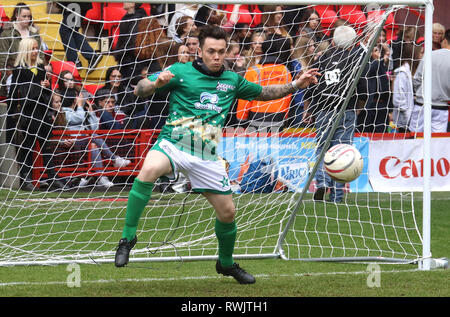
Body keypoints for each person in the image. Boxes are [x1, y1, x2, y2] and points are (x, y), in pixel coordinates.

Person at [114, 25, 320, 284]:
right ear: (199, 51)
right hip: (174, 145)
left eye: (221, 52)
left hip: (206, 155)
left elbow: (264, 93)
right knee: (149, 170)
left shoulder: (232, 80)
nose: (217, 57)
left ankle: (225, 263)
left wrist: (294, 84)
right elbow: (139, 89)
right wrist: (155, 83)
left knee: (228, 213)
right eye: (211, 51)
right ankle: (128, 237)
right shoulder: (179, 72)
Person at [302, 25, 367, 203]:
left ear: (332, 40)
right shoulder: (356, 59)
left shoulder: (321, 59)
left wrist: (308, 109)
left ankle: (322, 182)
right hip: (346, 110)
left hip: (323, 109)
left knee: (323, 148)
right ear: (353, 42)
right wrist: (359, 107)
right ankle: (337, 195)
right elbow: (363, 88)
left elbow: (311, 85)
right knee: (343, 152)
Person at [7, 38, 64, 190]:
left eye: (37, 48)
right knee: (28, 147)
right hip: (28, 113)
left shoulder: (40, 67)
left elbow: (46, 92)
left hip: (42, 111)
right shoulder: (19, 69)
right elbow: (15, 91)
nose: (36, 51)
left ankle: (52, 178)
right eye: (32, 48)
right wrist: (11, 113)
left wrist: (46, 86)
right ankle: (26, 179)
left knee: (46, 146)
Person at [61, 88, 131, 188]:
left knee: (94, 145)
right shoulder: (64, 111)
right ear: (73, 99)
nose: (81, 98)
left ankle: (101, 177)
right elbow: (78, 118)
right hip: (71, 141)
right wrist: (80, 106)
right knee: (92, 136)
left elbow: (94, 128)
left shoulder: (81, 111)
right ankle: (114, 159)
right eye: (78, 96)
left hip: (84, 141)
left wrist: (91, 113)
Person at [236, 33, 293, 131]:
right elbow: (288, 97)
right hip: (279, 117)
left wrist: (241, 119)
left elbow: (245, 97)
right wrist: (285, 117)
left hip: (256, 117)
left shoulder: (253, 70)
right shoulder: (286, 71)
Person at [0, 2, 44, 100]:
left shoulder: (34, 33)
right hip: (15, 73)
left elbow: (40, 55)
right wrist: (8, 78)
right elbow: (3, 59)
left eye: (29, 16)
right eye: (24, 16)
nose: (27, 19)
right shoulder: (7, 34)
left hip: (33, 72)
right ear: (16, 16)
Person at [410, 29, 450, 133]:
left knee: (415, 140)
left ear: (445, 40)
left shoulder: (430, 55)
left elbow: (417, 78)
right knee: (437, 143)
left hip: (422, 104)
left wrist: (420, 92)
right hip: (441, 106)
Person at [57, 2, 102, 71]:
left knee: (65, 31)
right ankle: (90, 56)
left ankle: (75, 61)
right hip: (75, 5)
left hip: (75, 4)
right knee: (71, 31)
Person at [114, 2, 148, 86]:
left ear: (133, 3)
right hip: (126, 59)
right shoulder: (128, 17)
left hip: (132, 60)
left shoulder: (137, 18)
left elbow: (132, 41)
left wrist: (119, 53)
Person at [289, 35, 316, 127]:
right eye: (310, 46)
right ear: (303, 48)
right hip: (299, 106)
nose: (313, 48)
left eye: (314, 45)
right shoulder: (296, 65)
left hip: (308, 104)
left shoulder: (309, 63)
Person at [391, 43, 418, 133]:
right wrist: (407, 115)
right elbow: (398, 99)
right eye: (421, 53)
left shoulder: (412, 71)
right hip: (405, 122)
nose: (423, 55)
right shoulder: (402, 73)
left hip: (413, 119)